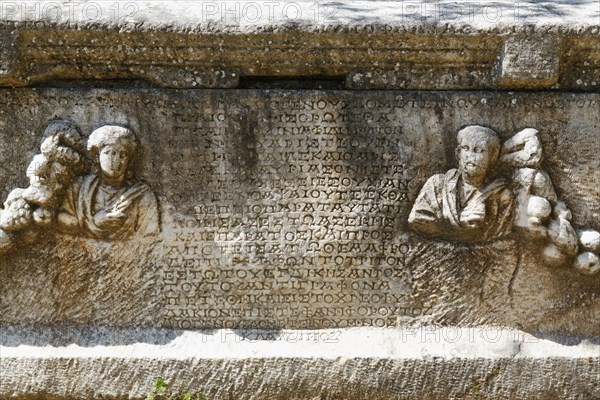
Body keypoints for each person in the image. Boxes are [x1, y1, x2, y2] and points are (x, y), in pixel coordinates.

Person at [408, 125, 514, 242]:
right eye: (465, 148)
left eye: (478, 150)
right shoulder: (437, 185)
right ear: (458, 153)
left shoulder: (501, 196)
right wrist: (457, 226)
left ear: (492, 156)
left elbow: (503, 243)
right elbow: (417, 220)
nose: (470, 155)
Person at [58, 125, 159, 240]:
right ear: (97, 157)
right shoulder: (79, 188)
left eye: (123, 155)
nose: (116, 161)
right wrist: (94, 222)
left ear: (129, 161)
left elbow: (150, 238)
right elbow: (62, 221)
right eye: (110, 153)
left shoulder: (142, 195)